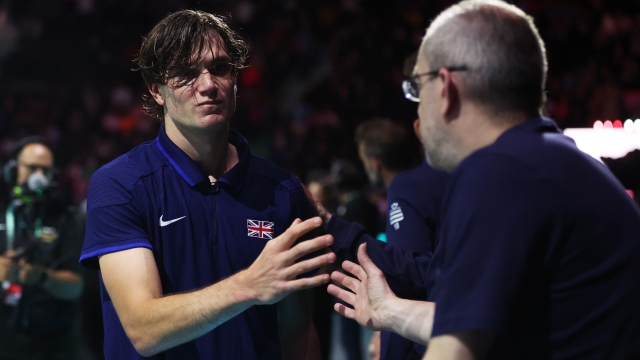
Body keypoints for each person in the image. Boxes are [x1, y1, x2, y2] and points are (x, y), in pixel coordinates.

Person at [324, 0, 640, 359]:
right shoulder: (558, 163)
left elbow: (454, 352)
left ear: (445, 88)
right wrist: (390, 312)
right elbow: (492, 323)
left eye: (416, 90)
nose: (416, 111)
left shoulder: (498, 174)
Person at [79, 10, 335, 360]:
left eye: (219, 68)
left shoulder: (281, 189)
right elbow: (143, 328)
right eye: (186, 74)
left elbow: (294, 327)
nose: (208, 85)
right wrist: (248, 285)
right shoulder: (118, 184)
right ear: (157, 90)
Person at [355, 118, 449, 360]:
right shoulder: (443, 179)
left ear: (375, 164)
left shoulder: (407, 187)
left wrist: (389, 353)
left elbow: (406, 281)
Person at [0, 136, 84, 360]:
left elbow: (76, 287)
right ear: (12, 170)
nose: (38, 176)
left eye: (45, 170)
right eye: (32, 168)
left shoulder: (65, 219)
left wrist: (42, 278)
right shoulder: (3, 213)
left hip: (53, 346)